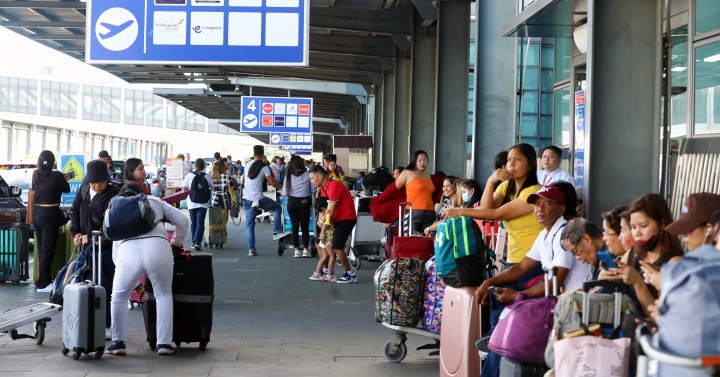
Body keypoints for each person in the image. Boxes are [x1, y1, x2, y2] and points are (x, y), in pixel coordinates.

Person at [476, 186, 591, 377]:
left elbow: (556, 282)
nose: (539, 208)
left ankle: (495, 337)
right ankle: (494, 334)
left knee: (507, 339)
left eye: (546, 204)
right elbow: (521, 267)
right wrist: (489, 282)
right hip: (553, 300)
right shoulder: (545, 234)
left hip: (568, 305)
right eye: (537, 205)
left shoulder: (565, 233)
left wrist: (519, 296)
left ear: (561, 209)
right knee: (497, 293)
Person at [106, 182, 189, 356]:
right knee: (163, 295)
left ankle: (118, 342)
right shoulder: (154, 200)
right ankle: (164, 344)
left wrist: (136, 283)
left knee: (119, 297)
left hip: (127, 251)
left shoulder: (116, 209)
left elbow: (115, 254)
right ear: (142, 194)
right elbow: (182, 220)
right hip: (158, 247)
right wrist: (176, 243)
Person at [446, 143, 543, 268]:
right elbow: (485, 210)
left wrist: (460, 211)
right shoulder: (506, 186)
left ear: (530, 165)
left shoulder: (533, 191)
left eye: (518, 159)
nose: (511, 163)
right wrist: (491, 181)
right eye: (509, 159)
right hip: (514, 258)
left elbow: (495, 214)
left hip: (534, 259)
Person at [70, 159, 120, 339]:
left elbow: (112, 225)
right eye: (93, 182)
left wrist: (89, 237)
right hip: (86, 247)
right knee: (85, 283)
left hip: (106, 248)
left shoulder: (115, 194)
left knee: (105, 286)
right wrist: (76, 233)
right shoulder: (83, 190)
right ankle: (86, 322)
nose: (97, 186)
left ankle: (107, 324)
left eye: (101, 182)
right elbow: (74, 210)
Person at [309, 165, 358, 283]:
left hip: (346, 219)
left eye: (312, 178)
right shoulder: (325, 187)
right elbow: (325, 211)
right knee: (318, 242)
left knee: (336, 245)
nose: (311, 181)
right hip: (335, 220)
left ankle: (350, 274)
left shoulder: (333, 186)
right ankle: (326, 270)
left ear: (320, 177)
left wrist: (323, 230)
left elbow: (330, 211)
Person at [32, 150, 71, 292]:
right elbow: (66, 189)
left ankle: (45, 280)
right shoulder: (56, 175)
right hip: (49, 215)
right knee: (48, 250)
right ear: (53, 161)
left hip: (36, 213)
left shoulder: (36, 174)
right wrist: (64, 177)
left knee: (42, 249)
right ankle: (43, 284)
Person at [242, 145, 283, 256]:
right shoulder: (265, 167)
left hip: (247, 198)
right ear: (263, 154)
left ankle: (251, 250)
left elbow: (244, 180)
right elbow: (273, 183)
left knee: (249, 226)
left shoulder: (247, 164)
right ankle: (276, 231)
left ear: (253, 153)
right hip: (259, 198)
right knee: (277, 207)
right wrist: (283, 186)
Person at [395, 150, 437, 232]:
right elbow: (393, 190)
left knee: (428, 241)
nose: (422, 163)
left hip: (429, 213)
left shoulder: (429, 176)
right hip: (412, 212)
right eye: (420, 160)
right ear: (415, 161)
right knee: (411, 241)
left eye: (425, 160)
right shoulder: (407, 173)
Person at [282, 155, 313, 258]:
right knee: (305, 227)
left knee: (294, 227)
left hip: (292, 203)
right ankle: (305, 250)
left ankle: (296, 251)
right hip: (304, 202)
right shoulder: (308, 174)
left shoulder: (288, 175)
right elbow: (313, 190)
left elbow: (284, 193)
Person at [182, 158, 213, 251]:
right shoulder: (207, 176)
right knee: (200, 222)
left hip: (192, 202)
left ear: (195, 165)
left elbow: (184, 187)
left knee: (194, 222)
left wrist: (189, 192)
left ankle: (193, 242)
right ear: (204, 166)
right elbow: (212, 187)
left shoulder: (189, 175)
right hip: (203, 203)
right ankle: (197, 242)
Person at [309, 196, 333, 281]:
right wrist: (327, 214)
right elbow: (322, 221)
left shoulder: (321, 212)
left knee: (324, 257)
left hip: (323, 239)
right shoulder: (323, 213)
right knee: (330, 257)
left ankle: (318, 272)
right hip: (325, 238)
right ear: (324, 208)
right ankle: (325, 274)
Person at [210, 160, 236, 228]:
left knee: (215, 214)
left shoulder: (211, 177)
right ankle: (223, 227)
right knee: (225, 213)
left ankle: (217, 228)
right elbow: (230, 188)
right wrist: (233, 198)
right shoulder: (227, 176)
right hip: (224, 197)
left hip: (215, 197)